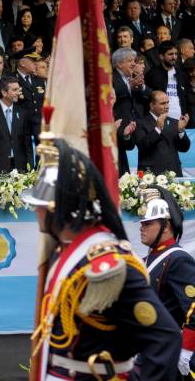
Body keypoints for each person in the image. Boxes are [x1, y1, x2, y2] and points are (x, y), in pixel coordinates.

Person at [22, 135, 181, 380]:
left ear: (60, 207)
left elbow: (165, 337)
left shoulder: (110, 265)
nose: (35, 209)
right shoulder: (66, 252)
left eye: (41, 203)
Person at [138, 185, 195, 379]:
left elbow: (194, 309)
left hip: (168, 356)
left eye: (148, 223)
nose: (141, 227)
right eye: (142, 223)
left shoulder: (178, 259)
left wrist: (185, 350)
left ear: (166, 226)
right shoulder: (148, 259)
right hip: (149, 353)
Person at [0, 76, 33, 173]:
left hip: (20, 167)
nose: (18, 93)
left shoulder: (22, 113)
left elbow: (27, 144)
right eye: (14, 90)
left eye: (19, 89)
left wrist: (30, 167)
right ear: (4, 93)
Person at [135, 90, 190, 176]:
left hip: (174, 174)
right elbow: (142, 146)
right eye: (163, 103)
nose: (167, 106)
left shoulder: (174, 122)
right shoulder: (140, 123)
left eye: (168, 102)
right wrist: (157, 129)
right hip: (151, 175)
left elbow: (184, 148)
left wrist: (181, 131)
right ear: (152, 105)